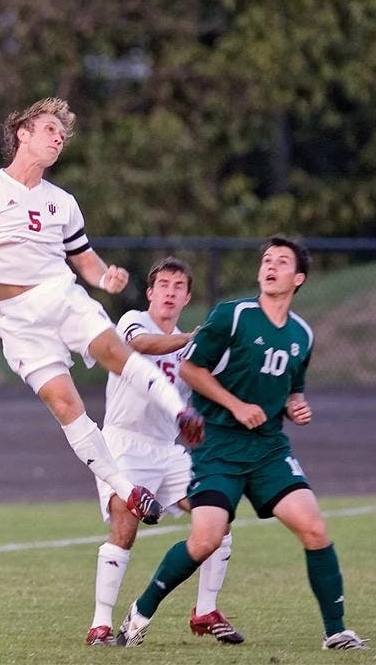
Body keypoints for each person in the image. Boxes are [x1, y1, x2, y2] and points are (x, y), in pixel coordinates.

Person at [0, 97, 203, 526]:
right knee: (65, 404)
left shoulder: (62, 201)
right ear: (23, 133)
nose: (58, 139)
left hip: (59, 295)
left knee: (114, 352)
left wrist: (105, 278)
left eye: (62, 137)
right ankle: (127, 489)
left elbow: (85, 261)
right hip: (15, 319)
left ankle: (179, 411)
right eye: (49, 131)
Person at [116, 235, 369, 651]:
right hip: (217, 447)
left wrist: (296, 405)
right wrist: (235, 406)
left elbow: (292, 390)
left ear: (298, 277)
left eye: (282, 262)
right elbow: (191, 368)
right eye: (266, 260)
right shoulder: (232, 316)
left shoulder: (302, 335)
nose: (270, 266)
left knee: (315, 529)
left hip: (269, 450)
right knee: (205, 540)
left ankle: (336, 631)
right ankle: (139, 614)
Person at [86, 256, 243, 646]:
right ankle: (100, 625)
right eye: (164, 285)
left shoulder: (194, 348)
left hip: (167, 450)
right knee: (125, 527)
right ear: (151, 293)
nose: (170, 292)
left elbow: (205, 391)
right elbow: (140, 345)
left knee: (217, 517)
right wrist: (193, 338)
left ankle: (205, 610)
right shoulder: (132, 321)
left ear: (187, 297)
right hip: (123, 443)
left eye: (179, 287)